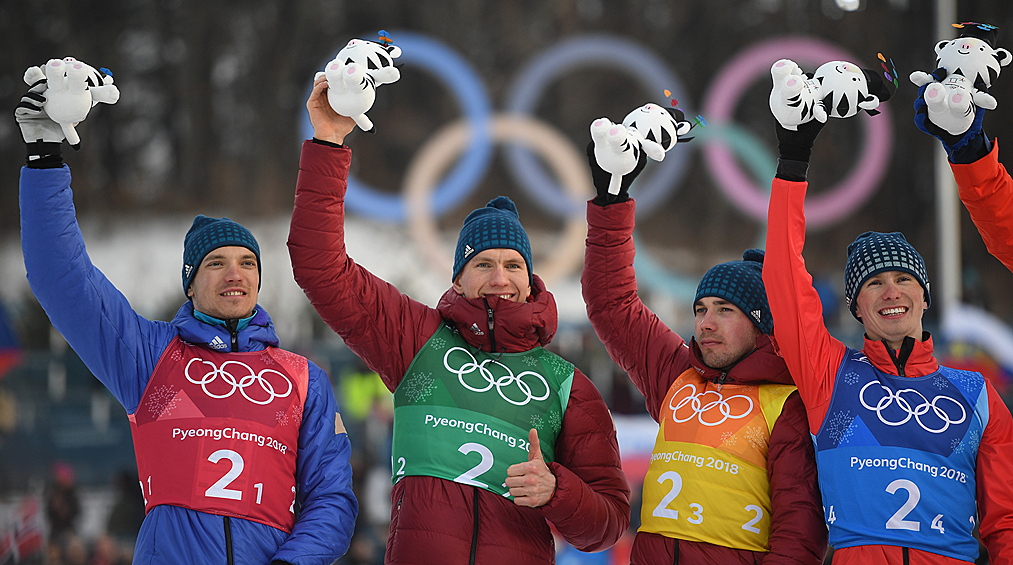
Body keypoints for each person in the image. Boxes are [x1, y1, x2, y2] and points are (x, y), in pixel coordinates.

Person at [16, 68, 357, 565]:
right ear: (190, 284)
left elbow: (332, 500)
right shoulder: (150, 357)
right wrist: (45, 158)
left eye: (247, 263)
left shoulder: (304, 381)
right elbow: (61, 278)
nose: (234, 274)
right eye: (216, 263)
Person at [287, 74, 631, 565]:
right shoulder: (415, 339)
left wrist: (557, 490)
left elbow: (610, 522)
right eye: (482, 264)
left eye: (513, 265)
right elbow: (319, 267)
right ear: (457, 282)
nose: (500, 277)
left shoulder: (567, 386)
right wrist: (328, 140)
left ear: (531, 280)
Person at [763, 93, 1013, 562]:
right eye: (874, 283)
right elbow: (783, 277)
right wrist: (793, 162)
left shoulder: (976, 394)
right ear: (857, 306)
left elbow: (1007, 520)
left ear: (925, 296)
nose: (891, 292)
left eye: (903, 280)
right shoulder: (832, 375)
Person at [581, 144, 827, 564]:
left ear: (761, 324)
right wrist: (611, 200)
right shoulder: (678, 372)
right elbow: (612, 304)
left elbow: (797, 536)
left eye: (725, 311)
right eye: (700, 309)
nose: (705, 324)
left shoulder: (787, 404)